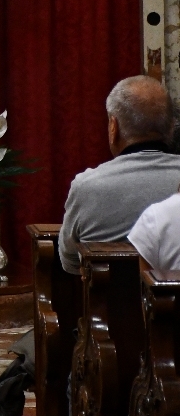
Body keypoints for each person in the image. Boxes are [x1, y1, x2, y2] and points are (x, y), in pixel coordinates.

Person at [58, 76, 180, 275]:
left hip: (107, 305)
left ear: (113, 127)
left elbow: (70, 262)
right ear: (171, 128)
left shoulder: (87, 186)